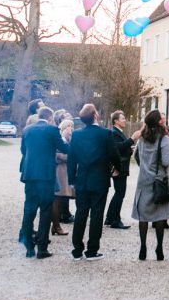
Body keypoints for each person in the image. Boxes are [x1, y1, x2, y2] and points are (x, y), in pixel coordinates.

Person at [67, 103, 121, 262]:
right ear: (95, 115)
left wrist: (71, 180)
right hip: (100, 179)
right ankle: (92, 250)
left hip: (82, 179)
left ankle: (77, 250)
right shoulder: (106, 134)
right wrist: (117, 169)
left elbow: (71, 159)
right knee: (97, 215)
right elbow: (114, 154)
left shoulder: (76, 135)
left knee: (81, 213)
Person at [19, 106, 68, 259]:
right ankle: (42, 248)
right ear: (50, 117)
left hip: (30, 175)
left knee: (29, 209)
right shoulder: (52, 130)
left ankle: (28, 247)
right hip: (46, 176)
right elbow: (64, 148)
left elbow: (23, 151)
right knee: (45, 211)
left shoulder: (27, 130)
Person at [132, 109, 169, 260]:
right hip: (159, 180)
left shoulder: (142, 138)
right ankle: (159, 248)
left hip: (143, 180)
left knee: (144, 215)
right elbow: (166, 161)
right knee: (160, 215)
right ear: (159, 122)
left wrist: (145, 166)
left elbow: (135, 155)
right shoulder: (164, 138)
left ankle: (143, 248)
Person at [104, 110, 135, 229]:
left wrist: (129, 149)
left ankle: (110, 217)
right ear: (116, 121)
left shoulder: (118, 132)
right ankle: (115, 220)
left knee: (119, 193)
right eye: (123, 118)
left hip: (121, 166)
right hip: (119, 167)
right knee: (120, 193)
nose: (125, 120)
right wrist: (132, 139)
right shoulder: (114, 133)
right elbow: (118, 148)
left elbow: (123, 148)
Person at [51, 117, 74, 236]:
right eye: (69, 126)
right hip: (59, 172)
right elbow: (55, 155)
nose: (71, 129)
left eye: (72, 126)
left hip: (65, 173)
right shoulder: (59, 139)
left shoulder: (68, 140)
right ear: (64, 128)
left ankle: (56, 226)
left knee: (60, 201)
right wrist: (70, 158)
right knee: (57, 200)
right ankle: (56, 226)